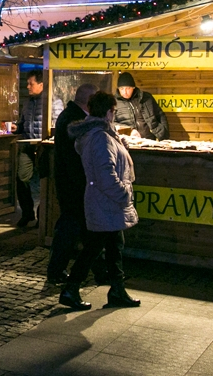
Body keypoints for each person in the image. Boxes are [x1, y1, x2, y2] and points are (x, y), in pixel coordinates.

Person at [59, 91, 140, 310]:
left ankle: (117, 290)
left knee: (114, 245)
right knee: (95, 247)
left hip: (105, 202)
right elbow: (105, 175)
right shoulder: (100, 137)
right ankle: (71, 288)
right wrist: (124, 193)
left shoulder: (103, 134)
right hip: (106, 201)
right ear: (107, 112)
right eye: (113, 110)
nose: (114, 114)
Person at [48, 83, 109, 285]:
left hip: (72, 183)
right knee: (73, 228)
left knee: (83, 230)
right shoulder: (73, 119)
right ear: (88, 100)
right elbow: (73, 157)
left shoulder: (71, 115)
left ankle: (99, 272)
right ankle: (59, 272)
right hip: (74, 184)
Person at [14, 70, 62, 227]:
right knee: (22, 178)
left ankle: (43, 216)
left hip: (45, 147)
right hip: (27, 144)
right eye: (27, 83)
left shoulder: (53, 102)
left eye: (31, 83)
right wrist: (17, 127)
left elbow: (57, 125)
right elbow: (22, 122)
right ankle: (27, 213)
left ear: (41, 84)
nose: (27, 86)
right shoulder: (27, 102)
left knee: (46, 181)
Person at [113, 72, 168, 140]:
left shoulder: (146, 98)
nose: (125, 92)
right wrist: (129, 130)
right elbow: (111, 123)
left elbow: (160, 115)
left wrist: (163, 134)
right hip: (127, 141)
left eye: (128, 88)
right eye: (122, 89)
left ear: (133, 88)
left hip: (149, 140)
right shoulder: (113, 102)